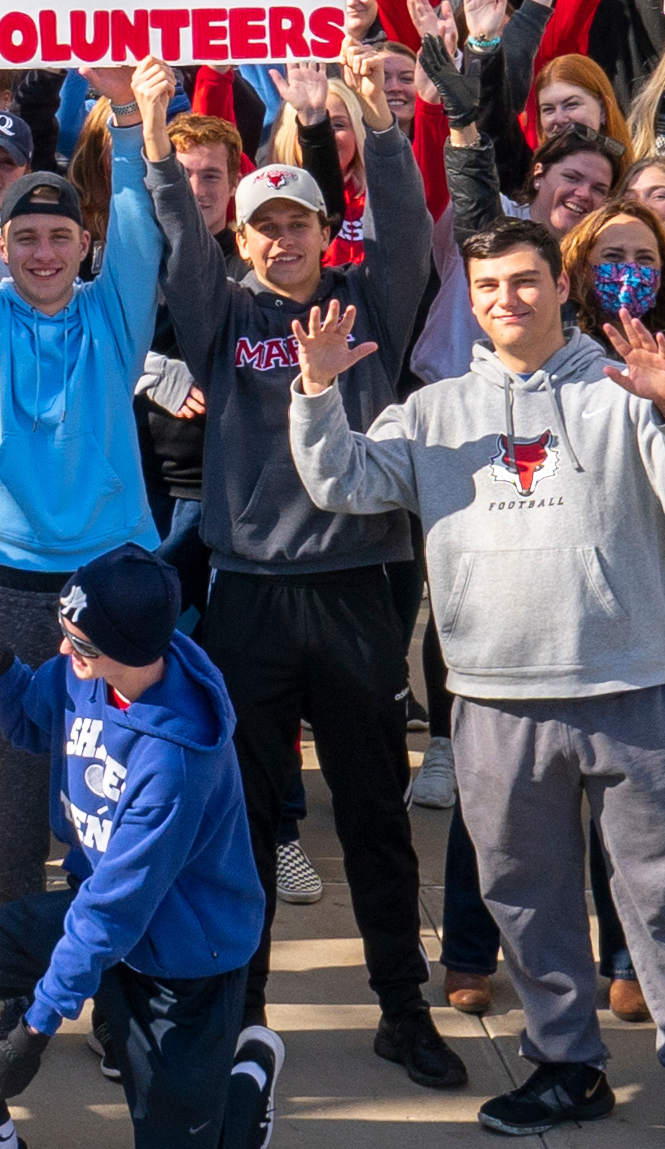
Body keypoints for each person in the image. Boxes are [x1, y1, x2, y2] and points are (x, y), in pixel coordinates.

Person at [283, 218, 665, 1149]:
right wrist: (316, 390)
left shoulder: (624, 385)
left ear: (561, 283)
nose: (506, 301)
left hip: (627, 686)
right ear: (469, 302)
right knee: (526, 895)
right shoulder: (435, 410)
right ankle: (566, 1063)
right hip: (494, 698)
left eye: (523, 282)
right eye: (486, 288)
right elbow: (340, 480)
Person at [149, 68, 456, 1088]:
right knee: (237, 814)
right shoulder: (218, 313)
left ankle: (400, 1005)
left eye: (299, 224)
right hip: (249, 593)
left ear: (328, 230)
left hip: (360, 587)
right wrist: (150, 128)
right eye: (262, 227)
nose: (282, 240)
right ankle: (241, 1006)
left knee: (372, 809)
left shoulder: (371, 297)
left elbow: (407, 213)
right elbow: (175, 241)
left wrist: (364, 111)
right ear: (240, 239)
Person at [0, 543, 277, 1149]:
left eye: (78, 640)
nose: (63, 645)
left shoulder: (175, 756)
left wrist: (35, 1029)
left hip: (180, 957)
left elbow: (115, 911)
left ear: (129, 647)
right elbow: (31, 714)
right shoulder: (85, 675)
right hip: (99, 916)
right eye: (65, 628)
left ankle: (247, 1077)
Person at [0, 56, 165, 914]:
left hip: (113, 577)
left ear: (82, 245)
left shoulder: (114, 313)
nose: (42, 251)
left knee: (117, 789)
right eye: (25, 237)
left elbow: (141, 230)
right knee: (17, 795)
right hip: (10, 584)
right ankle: (16, 982)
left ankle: (115, 992)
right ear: (4, 246)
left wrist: (132, 123)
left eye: (59, 236)